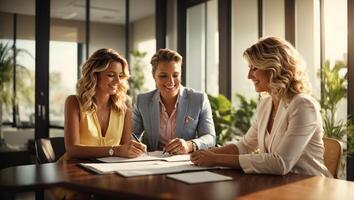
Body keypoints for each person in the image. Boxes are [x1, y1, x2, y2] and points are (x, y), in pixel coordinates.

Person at [190, 37, 331, 177]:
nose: (249, 76)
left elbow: (280, 162)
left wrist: (216, 159)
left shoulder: (303, 105)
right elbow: (245, 146)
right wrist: (207, 154)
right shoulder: (266, 104)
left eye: (254, 68)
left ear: (274, 68)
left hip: (309, 187)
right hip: (277, 185)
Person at [64, 48, 146, 160]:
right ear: (95, 75)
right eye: (111, 75)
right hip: (74, 169)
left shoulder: (125, 104)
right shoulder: (73, 102)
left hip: (108, 171)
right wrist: (115, 150)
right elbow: (72, 150)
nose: (117, 81)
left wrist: (135, 149)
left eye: (120, 76)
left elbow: (125, 147)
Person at [132, 48, 216, 154]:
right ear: (154, 76)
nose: (170, 81)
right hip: (150, 161)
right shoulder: (142, 101)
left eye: (175, 75)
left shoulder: (199, 99)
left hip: (184, 163)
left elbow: (210, 137)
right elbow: (132, 135)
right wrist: (135, 146)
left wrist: (189, 145)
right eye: (163, 76)